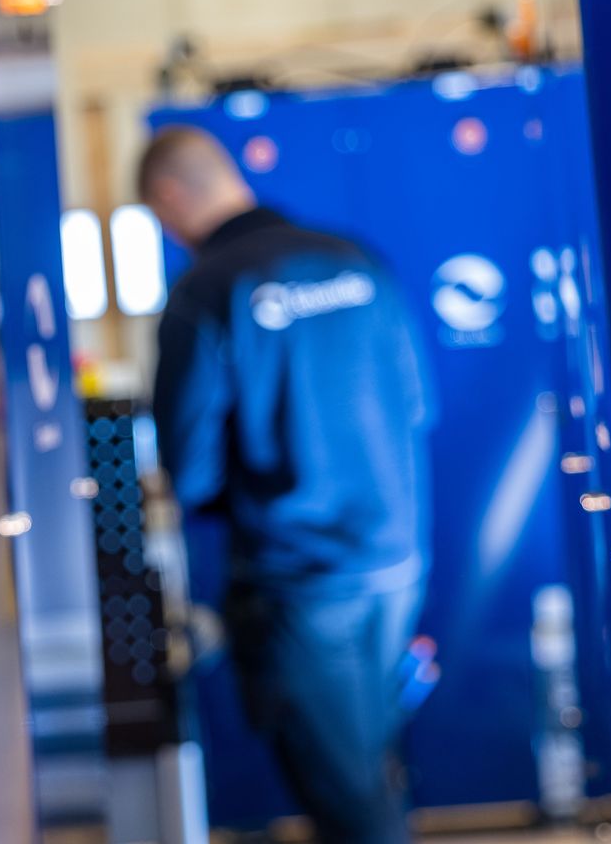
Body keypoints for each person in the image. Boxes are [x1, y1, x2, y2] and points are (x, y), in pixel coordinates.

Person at [139, 125, 436, 844]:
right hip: (395, 567)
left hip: (300, 586)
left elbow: (190, 468)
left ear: (170, 196)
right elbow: (417, 406)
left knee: (353, 809)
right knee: (372, 777)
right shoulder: (355, 260)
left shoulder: (205, 293)